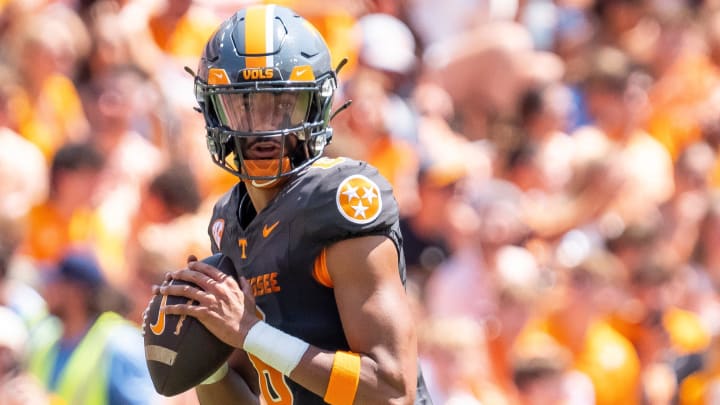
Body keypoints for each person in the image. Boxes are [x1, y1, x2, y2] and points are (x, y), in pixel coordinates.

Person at [151, 4, 430, 404]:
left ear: (315, 105)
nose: (264, 127)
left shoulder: (340, 199)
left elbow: (390, 391)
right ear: (213, 111)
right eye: (243, 105)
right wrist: (207, 359)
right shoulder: (228, 220)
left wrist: (251, 333)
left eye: (283, 104)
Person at [28, 251, 159, 405]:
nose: (47, 289)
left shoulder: (119, 344)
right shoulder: (46, 341)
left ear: (76, 293)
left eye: (55, 283)